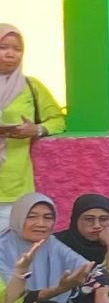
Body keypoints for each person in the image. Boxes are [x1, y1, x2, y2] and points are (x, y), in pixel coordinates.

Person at [0, 22, 65, 209]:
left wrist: (36, 129)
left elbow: (58, 120)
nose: (11, 54)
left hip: (15, 187)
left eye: (17, 49)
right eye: (3, 47)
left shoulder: (30, 86)